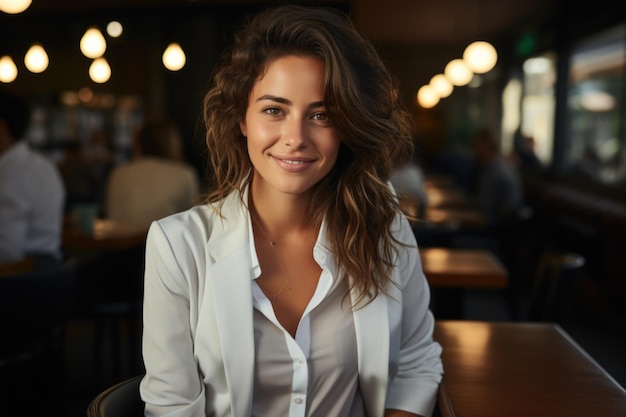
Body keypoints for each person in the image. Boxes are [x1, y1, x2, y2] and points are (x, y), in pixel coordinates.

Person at [140, 5, 443, 417]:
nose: (295, 137)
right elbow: (172, 407)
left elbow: (415, 364)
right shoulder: (177, 245)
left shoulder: (383, 224)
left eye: (321, 115)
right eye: (273, 110)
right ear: (242, 119)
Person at [0, 89, 65, 267]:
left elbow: (8, 250)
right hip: (50, 272)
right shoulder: (43, 165)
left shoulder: (11, 173)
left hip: (22, 279)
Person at [104, 118, 201, 230]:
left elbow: (111, 213)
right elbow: (192, 222)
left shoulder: (117, 173)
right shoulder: (184, 174)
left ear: (139, 143)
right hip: (163, 244)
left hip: (116, 244)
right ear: (172, 143)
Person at [472, 127, 524, 227]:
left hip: (493, 230)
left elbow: (483, 209)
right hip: (501, 229)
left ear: (485, 146)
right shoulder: (498, 166)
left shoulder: (495, 172)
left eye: (476, 145)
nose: (474, 149)